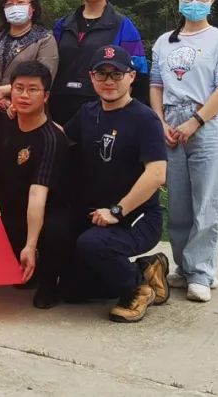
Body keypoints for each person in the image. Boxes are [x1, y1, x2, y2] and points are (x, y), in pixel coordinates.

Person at [60, 45, 169, 323]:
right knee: (72, 290)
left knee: (92, 244)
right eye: (102, 74)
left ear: (131, 76)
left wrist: (117, 211)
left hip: (136, 218)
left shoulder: (145, 119)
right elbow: (59, 137)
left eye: (116, 74)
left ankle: (137, 290)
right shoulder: (88, 112)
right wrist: (23, 115)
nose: (109, 81)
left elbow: (157, 174)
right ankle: (147, 269)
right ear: (91, 77)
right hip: (97, 215)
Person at [150, 0, 218, 303]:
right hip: (170, 122)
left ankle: (202, 272)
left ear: (212, 0)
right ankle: (184, 267)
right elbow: (156, 85)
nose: (194, 2)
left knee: (207, 202)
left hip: (207, 122)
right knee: (179, 203)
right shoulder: (164, 42)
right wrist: (159, 121)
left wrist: (196, 121)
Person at [0, 57, 73, 308]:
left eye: (33, 89)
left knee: (54, 233)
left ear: (46, 97)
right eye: (19, 88)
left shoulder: (52, 139)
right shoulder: (5, 122)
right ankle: (29, 268)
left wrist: (31, 246)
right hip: (12, 214)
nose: (24, 95)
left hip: (47, 214)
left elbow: (37, 196)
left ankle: (49, 283)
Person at [50, 0, 149, 126]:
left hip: (102, 110)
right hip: (59, 108)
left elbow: (138, 73)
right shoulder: (62, 25)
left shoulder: (122, 26)